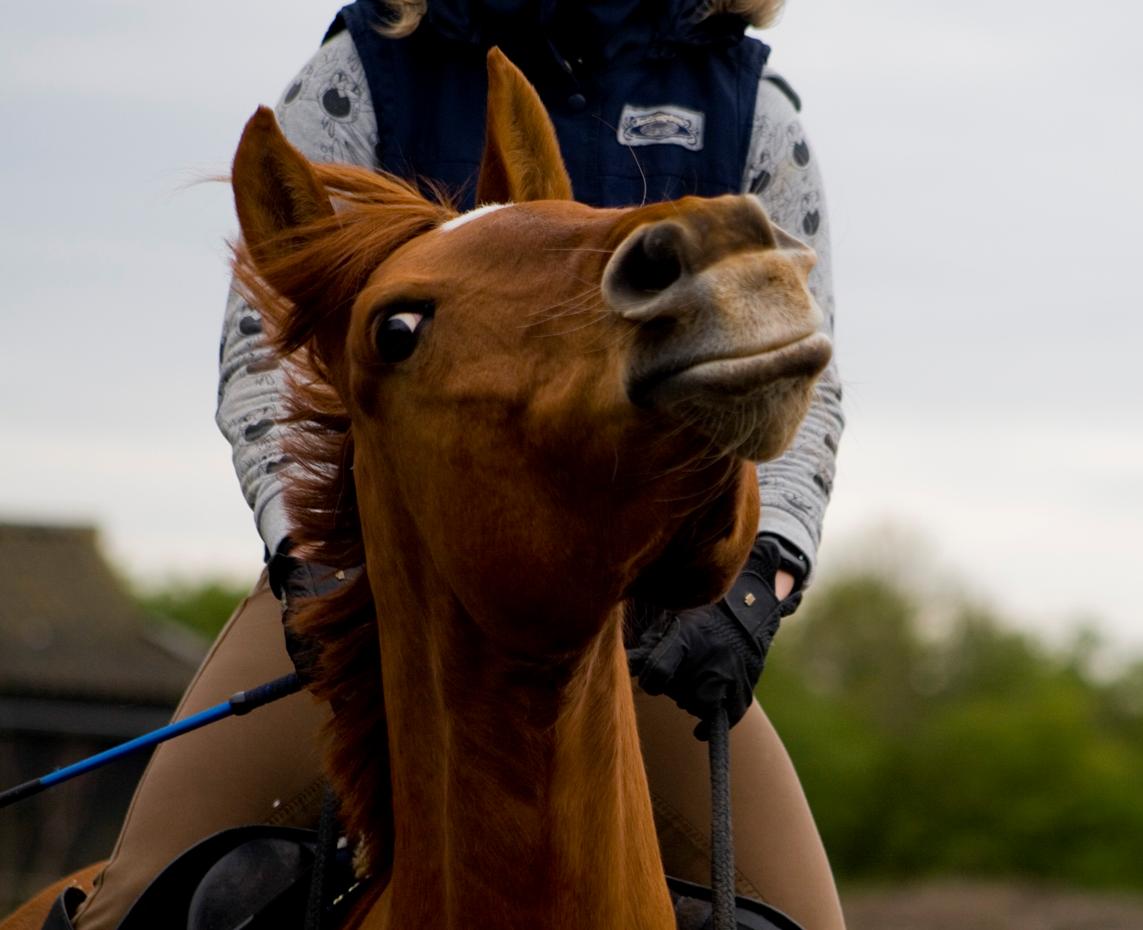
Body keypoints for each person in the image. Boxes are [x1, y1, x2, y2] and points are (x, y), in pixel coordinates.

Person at [72, 2, 846, 928]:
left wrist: (754, 584)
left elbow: (808, 370)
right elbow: (267, 350)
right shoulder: (358, 76)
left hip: (648, 620)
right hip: (384, 588)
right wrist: (309, 559)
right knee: (132, 902)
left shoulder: (752, 109)